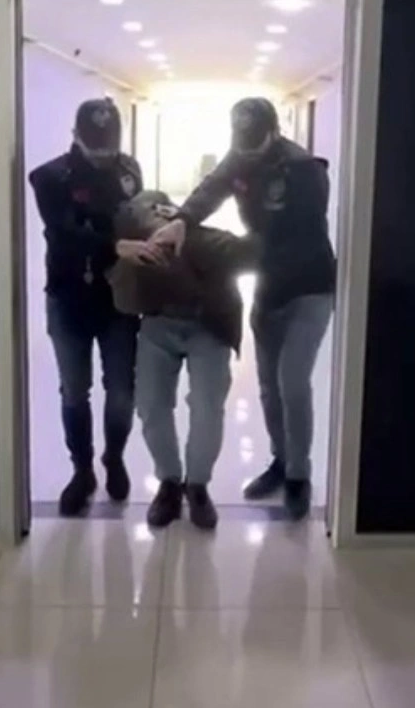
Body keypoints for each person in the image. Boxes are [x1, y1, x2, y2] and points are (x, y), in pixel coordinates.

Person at [151, 97, 335, 520]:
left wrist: (222, 254)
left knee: (292, 381)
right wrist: (182, 219)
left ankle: (299, 476)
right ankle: (280, 461)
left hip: (309, 287)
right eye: (241, 144)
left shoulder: (304, 170)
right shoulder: (238, 157)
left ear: (274, 132)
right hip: (269, 289)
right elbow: (210, 189)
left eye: (254, 145)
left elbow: (298, 241)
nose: (246, 152)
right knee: (268, 385)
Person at [29, 99, 161, 516]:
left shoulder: (129, 169)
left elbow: (136, 217)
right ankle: (82, 470)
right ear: (75, 136)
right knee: (74, 391)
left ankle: (114, 458)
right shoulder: (49, 177)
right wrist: (115, 245)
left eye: (110, 148)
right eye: (96, 149)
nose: (105, 157)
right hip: (68, 297)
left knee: (121, 392)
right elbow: (64, 233)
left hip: (118, 299)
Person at [108, 191, 257, 530]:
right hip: (159, 323)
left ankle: (198, 486)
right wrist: (125, 253)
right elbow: (119, 289)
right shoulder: (129, 234)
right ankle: (169, 483)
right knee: (150, 404)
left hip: (209, 325)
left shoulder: (211, 243)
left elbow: (253, 255)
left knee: (207, 406)